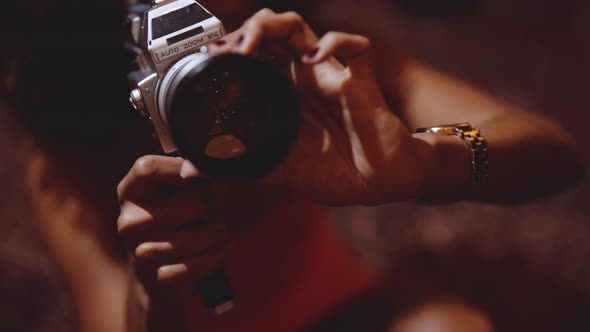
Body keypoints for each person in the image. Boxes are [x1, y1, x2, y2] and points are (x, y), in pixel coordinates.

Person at [0, 0, 583, 331]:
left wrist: (428, 161)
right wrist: (155, 299)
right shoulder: (68, 167)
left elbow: (553, 152)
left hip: (343, 306)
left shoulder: (313, 55)